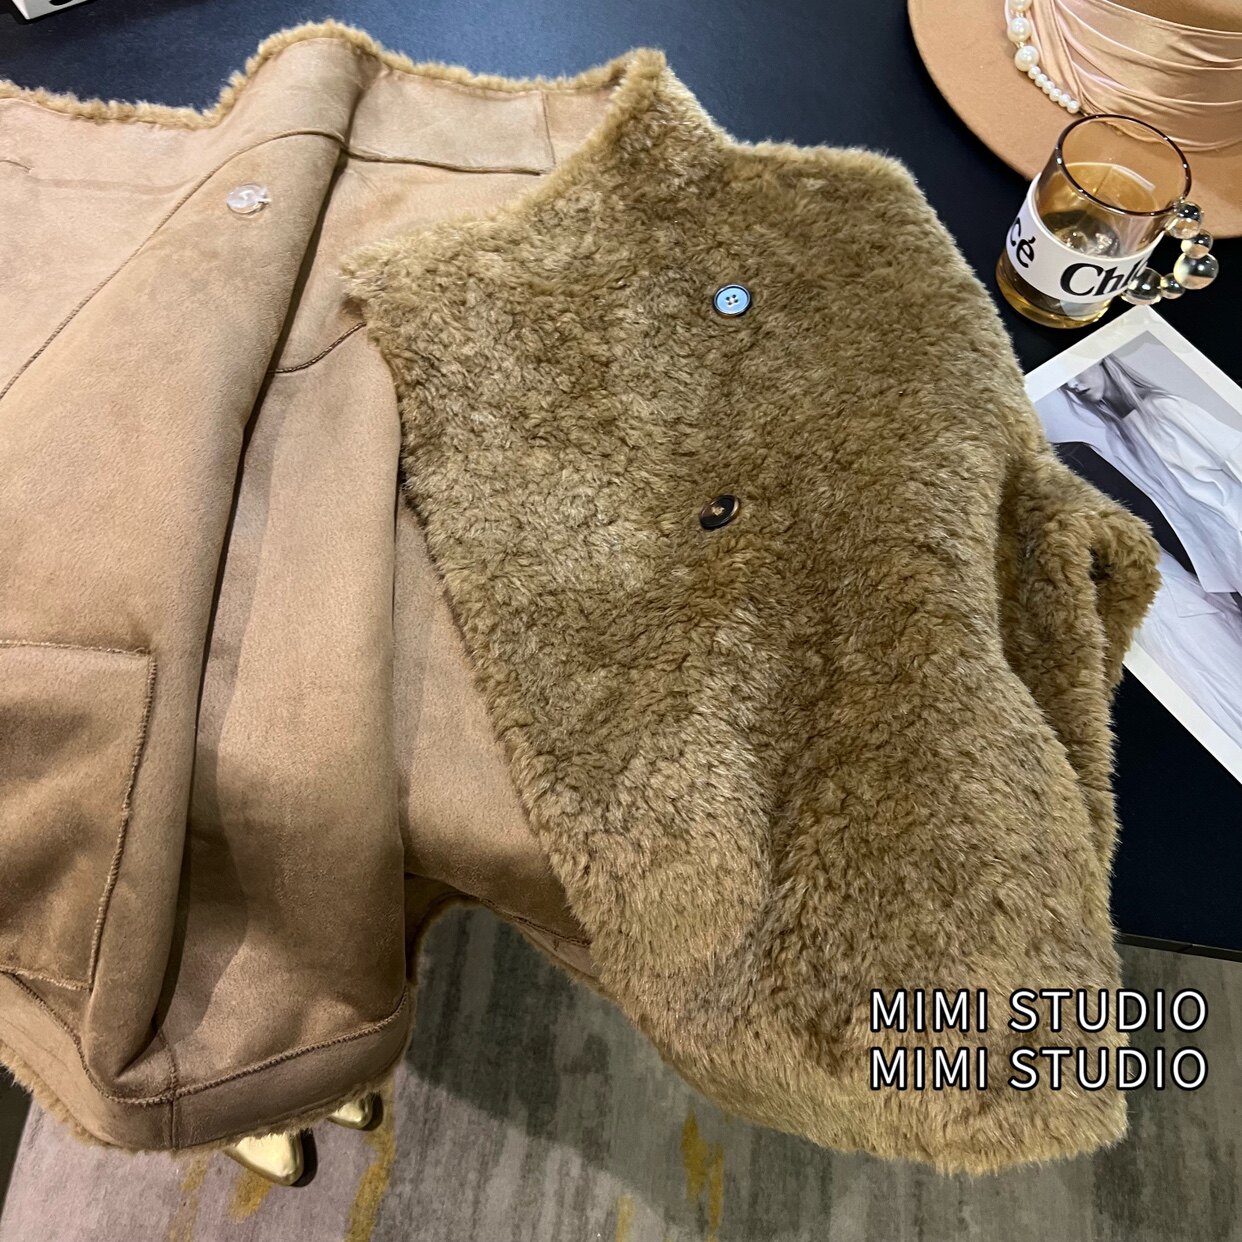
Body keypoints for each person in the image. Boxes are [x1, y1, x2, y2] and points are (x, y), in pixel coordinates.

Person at [1056, 352, 1242, 599]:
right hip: (1218, 542)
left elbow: (1234, 453)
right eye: (1062, 381)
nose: (1072, 384)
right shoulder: (1120, 434)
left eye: (1072, 371)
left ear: (1098, 358)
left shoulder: (1164, 407)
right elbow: (1172, 506)